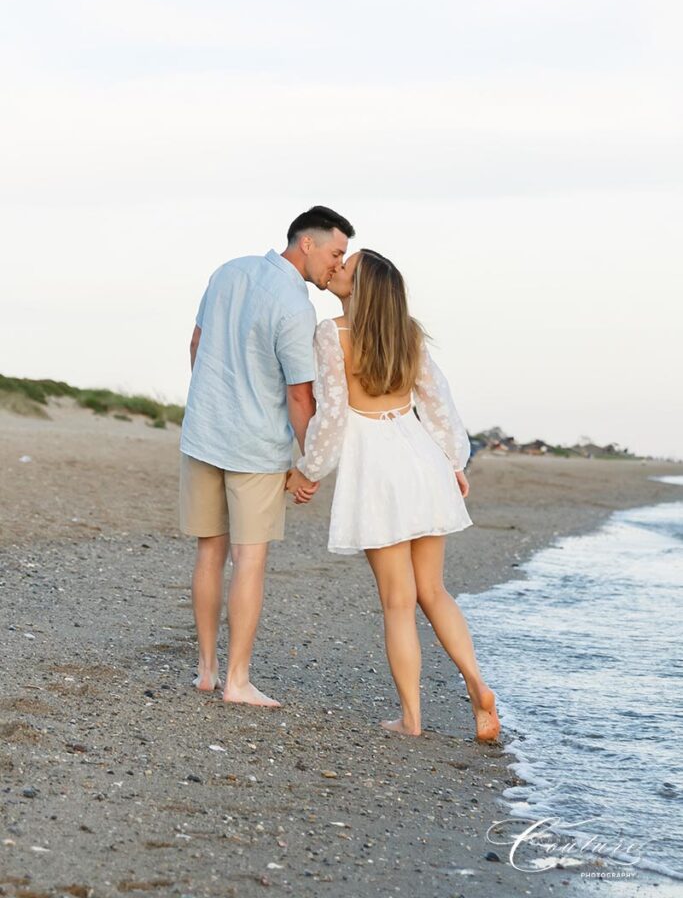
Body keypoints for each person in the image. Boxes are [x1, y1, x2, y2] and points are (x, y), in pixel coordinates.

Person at [286, 249, 500, 741]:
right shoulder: (409, 332)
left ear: (362, 285)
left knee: (398, 602)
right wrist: (454, 463)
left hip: (378, 469)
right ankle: (478, 685)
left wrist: (309, 470)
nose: (337, 268)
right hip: (421, 458)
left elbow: (334, 415)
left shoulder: (333, 332)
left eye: (347, 266)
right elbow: (438, 403)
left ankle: (412, 718)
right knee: (434, 590)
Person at [179, 206, 355, 706]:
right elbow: (301, 396)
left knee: (209, 553)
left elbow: (196, 342)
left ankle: (208, 671)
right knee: (249, 560)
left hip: (204, 434)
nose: (336, 266)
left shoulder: (228, 271)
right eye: (335, 253)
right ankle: (237, 681)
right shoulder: (295, 306)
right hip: (255, 448)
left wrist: (211, 401)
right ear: (308, 244)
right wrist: (309, 462)